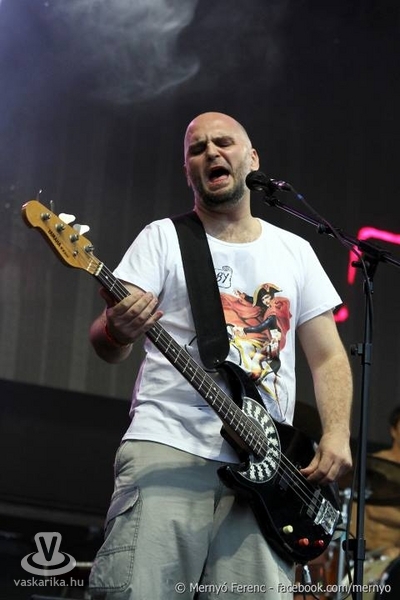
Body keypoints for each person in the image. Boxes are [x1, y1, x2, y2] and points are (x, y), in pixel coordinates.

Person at [88, 111, 353, 600]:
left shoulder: (294, 251)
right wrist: (115, 329)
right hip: (170, 448)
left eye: (223, 142)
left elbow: (329, 358)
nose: (211, 151)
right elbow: (108, 345)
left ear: (252, 159)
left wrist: (337, 432)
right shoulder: (163, 238)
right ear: (188, 171)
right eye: (197, 148)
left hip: (268, 471)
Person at [350, 406, 400, 558]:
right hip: (368, 552)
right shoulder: (378, 464)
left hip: (393, 552)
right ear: (393, 431)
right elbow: (374, 508)